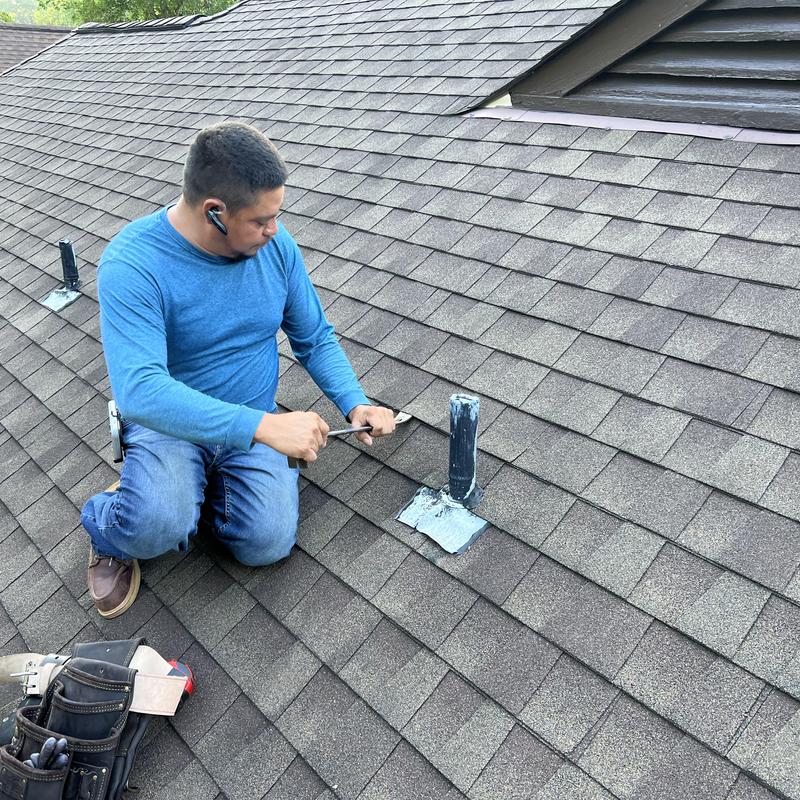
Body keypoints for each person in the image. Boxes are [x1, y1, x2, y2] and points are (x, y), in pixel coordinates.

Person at [81, 121, 396, 619]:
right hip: (171, 427)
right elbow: (140, 391)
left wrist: (354, 401)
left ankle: (180, 492)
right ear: (215, 213)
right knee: (157, 527)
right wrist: (265, 427)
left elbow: (312, 337)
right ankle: (113, 521)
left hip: (252, 420)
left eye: (277, 216)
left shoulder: (276, 246)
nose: (275, 231)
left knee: (266, 544)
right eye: (262, 220)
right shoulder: (133, 264)